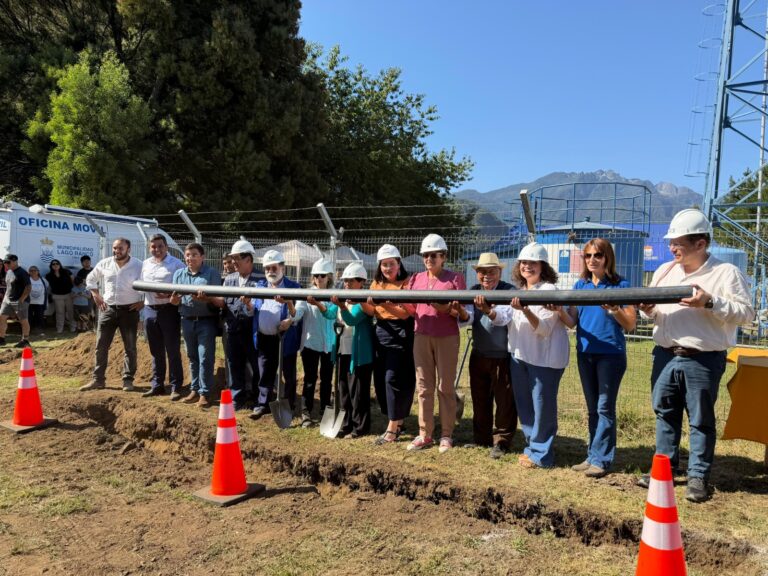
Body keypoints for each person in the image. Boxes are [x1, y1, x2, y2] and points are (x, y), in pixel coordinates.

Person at [636, 209, 753, 502]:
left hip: (702, 358)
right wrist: (649, 310)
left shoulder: (725, 273)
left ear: (700, 244)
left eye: (678, 243)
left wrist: (710, 302)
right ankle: (665, 470)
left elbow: (747, 314)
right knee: (665, 414)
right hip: (665, 353)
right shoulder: (664, 271)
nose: (672, 248)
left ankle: (698, 476)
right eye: (671, 242)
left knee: (700, 419)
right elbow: (653, 310)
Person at [552, 239, 636, 478]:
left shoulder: (621, 285)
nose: (592, 260)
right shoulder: (581, 285)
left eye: (597, 255)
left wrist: (614, 309)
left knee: (604, 407)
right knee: (592, 409)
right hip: (585, 353)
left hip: (610, 354)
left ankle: (602, 459)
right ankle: (592, 455)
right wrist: (559, 310)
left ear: (607, 257)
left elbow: (630, 324)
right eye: (588, 256)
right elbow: (572, 322)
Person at [491, 242, 569, 469]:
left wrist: (525, 310)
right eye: (524, 262)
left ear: (543, 266)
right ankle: (532, 447)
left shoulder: (549, 292)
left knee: (542, 406)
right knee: (525, 404)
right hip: (520, 355)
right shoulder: (520, 292)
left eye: (533, 263)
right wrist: (489, 310)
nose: (527, 267)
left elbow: (544, 329)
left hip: (544, 359)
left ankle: (542, 454)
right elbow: (503, 318)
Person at [407, 234, 467, 453]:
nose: (429, 259)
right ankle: (425, 433)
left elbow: (460, 311)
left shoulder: (455, 279)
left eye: (433, 255)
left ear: (443, 256)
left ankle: (446, 434)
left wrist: (445, 308)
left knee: (445, 386)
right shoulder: (416, 279)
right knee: (424, 386)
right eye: (425, 255)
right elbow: (412, 309)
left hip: (446, 336)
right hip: (421, 334)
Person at [361, 244, 416, 446]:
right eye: (384, 265)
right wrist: (359, 299)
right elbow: (371, 311)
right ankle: (397, 419)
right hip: (381, 331)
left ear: (398, 263)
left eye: (391, 264)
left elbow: (406, 312)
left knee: (394, 378)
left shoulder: (407, 283)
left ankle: (392, 427)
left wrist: (383, 303)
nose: (387, 269)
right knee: (382, 379)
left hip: (401, 332)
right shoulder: (377, 283)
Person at [468, 252, 518, 459]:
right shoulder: (472, 292)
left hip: (502, 354)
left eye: (491, 271)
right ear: (477, 274)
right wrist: (458, 313)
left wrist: (488, 310)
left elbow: (504, 318)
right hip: (479, 351)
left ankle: (502, 440)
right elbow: (467, 318)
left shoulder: (509, 292)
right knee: (480, 398)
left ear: (499, 272)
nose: (486, 275)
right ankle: (481, 437)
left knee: (505, 400)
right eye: (482, 271)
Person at [80, 238, 144, 392]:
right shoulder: (105, 263)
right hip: (107, 309)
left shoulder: (139, 265)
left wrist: (143, 303)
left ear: (128, 249)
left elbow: (149, 284)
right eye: (115, 248)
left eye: (120, 248)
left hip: (129, 311)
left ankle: (127, 380)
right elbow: (90, 278)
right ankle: (98, 380)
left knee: (130, 347)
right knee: (101, 346)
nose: (117, 251)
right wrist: (95, 294)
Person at [250, 250, 304, 420]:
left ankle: (288, 405)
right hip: (264, 337)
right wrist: (248, 304)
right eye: (267, 268)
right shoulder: (260, 286)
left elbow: (299, 312)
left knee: (288, 372)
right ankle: (263, 403)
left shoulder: (294, 288)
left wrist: (289, 320)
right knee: (265, 371)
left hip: (285, 338)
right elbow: (252, 308)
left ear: (282, 268)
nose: (270, 272)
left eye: (273, 267)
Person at [170, 243, 224, 408]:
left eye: (194, 254)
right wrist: (174, 301)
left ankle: (205, 393)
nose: (190, 258)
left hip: (206, 321)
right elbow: (174, 300)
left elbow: (220, 301)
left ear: (202, 257)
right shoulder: (179, 274)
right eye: (187, 255)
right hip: (186, 320)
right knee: (192, 357)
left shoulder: (211, 273)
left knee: (205, 358)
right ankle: (194, 389)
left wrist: (206, 298)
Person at [332, 262, 374, 438]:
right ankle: (346, 423)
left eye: (350, 281)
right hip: (343, 350)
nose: (346, 284)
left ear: (361, 282)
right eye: (345, 280)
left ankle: (360, 427)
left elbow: (351, 320)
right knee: (344, 390)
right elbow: (329, 313)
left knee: (358, 392)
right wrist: (318, 304)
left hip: (359, 354)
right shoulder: (345, 298)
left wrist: (342, 306)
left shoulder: (361, 302)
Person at [140, 234, 185, 399]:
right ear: (149, 248)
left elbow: (183, 287)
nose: (156, 249)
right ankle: (157, 385)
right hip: (149, 310)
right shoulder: (145, 264)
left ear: (166, 247)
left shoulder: (176, 264)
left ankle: (175, 386)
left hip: (168, 310)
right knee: (155, 350)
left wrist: (169, 293)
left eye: (160, 246)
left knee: (172, 350)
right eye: (153, 247)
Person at [295, 258, 339, 427]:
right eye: (316, 276)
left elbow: (332, 314)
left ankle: (325, 411)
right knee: (310, 379)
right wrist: (290, 312)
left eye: (322, 275)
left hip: (330, 344)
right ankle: (306, 413)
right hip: (311, 344)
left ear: (328, 277)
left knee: (327, 379)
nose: (319, 279)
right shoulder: (307, 295)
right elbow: (298, 313)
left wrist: (318, 303)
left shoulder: (334, 295)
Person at [222, 240, 263, 410]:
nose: (234, 263)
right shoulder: (229, 279)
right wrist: (207, 297)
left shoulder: (261, 278)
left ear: (249, 259)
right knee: (234, 363)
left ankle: (256, 397)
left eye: (237, 258)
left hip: (253, 330)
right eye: (233, 259)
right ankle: (236, 398)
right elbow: (223, 301)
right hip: (233, 328)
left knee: (256, 364)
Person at [0, 254, 32, 348]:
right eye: (5, 262)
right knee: (2, 317)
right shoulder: (9, 271)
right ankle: (1, 339)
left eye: (8, 262)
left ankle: (25, 340)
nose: (6, 264)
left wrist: (21, 300)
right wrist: (5, 299)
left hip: (20, 300)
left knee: (23, 320)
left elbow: (28, 287)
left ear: (15, 261)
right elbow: (9, 287)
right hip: (8, 300)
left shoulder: (22, 272)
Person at [46, 259, 76, 333]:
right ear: (51, 266)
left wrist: (73, 291)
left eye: (57, 263)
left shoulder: (66, 272)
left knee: (71, 312)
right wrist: (50, 295)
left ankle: (73, 327)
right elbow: (49, 287)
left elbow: (73, 281)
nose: (55, 265)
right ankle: (60, 329)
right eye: (53, 264)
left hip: (68, 294)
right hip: (57, 296)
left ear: (60, 264)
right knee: (60, 313)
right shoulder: (48, 275)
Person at [27, 265, 49, 336]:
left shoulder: (43, 280)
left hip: (40, 302)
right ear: (29, 272)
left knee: (39, 317)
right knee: (28, 317)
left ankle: (39, 331)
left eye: (35, 270)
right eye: (31, 270)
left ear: (38, 271)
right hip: (29, 302)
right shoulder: (27, 279)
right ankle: (27, 331)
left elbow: (47, 287)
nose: (33, 272)